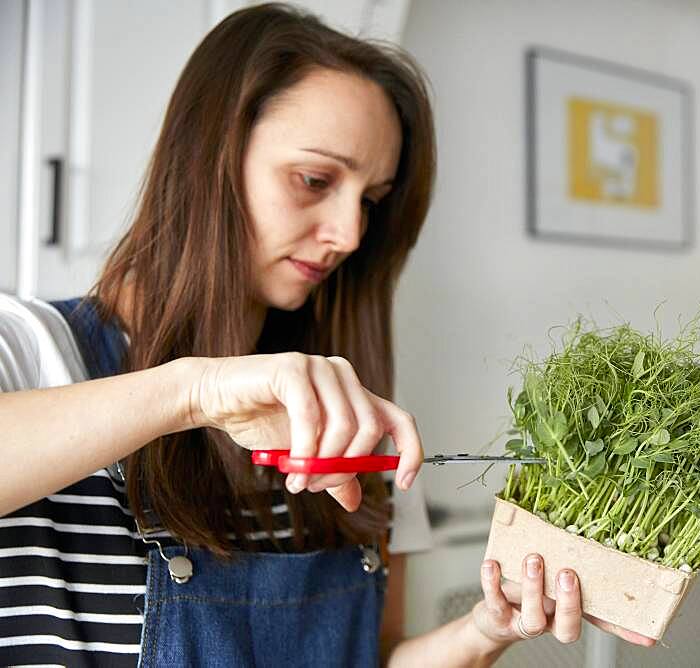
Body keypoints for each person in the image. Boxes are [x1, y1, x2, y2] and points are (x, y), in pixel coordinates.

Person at [0, 3, 654, 666]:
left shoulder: (353, 418)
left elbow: (379, 655)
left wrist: (484, 630)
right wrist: (197, 389)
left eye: (370, 200)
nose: (349, 234)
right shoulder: (30, 350)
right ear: (207, 160)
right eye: (314, 180)